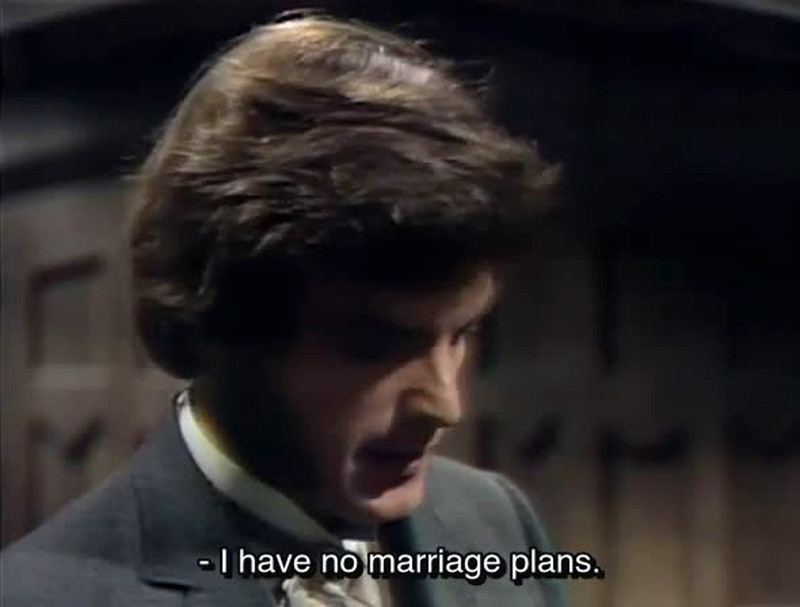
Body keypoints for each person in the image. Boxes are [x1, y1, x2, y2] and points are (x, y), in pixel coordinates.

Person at [1, 13, 567, 607]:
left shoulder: (497, 524)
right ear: (216, 325)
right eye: (374, 346)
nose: (445, 405)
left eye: (462, 333)